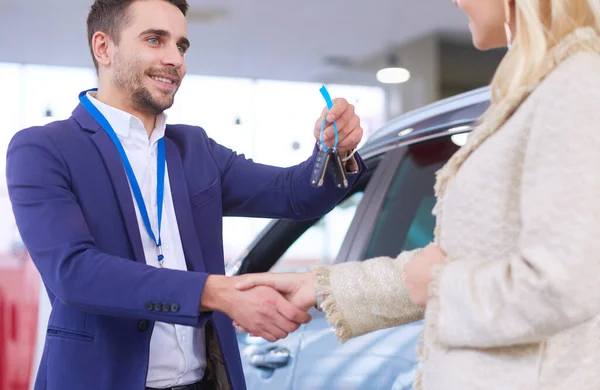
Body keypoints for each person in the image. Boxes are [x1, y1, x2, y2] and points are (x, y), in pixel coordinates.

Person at [235, 0, 600, 389]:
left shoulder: (576, 84)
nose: (457, 2)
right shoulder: (538, 89)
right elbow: (450, 263)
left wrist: (440, 283)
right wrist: (320, 287)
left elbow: (565, 283)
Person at [5, 1, 365, 389]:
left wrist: (333, 151)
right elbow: (73, 273)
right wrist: (215, 292)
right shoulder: (43, 149)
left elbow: (294, 195)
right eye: (155, 40)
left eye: (181, 46)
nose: (174, 58)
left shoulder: (194, 148)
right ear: (103, 48)